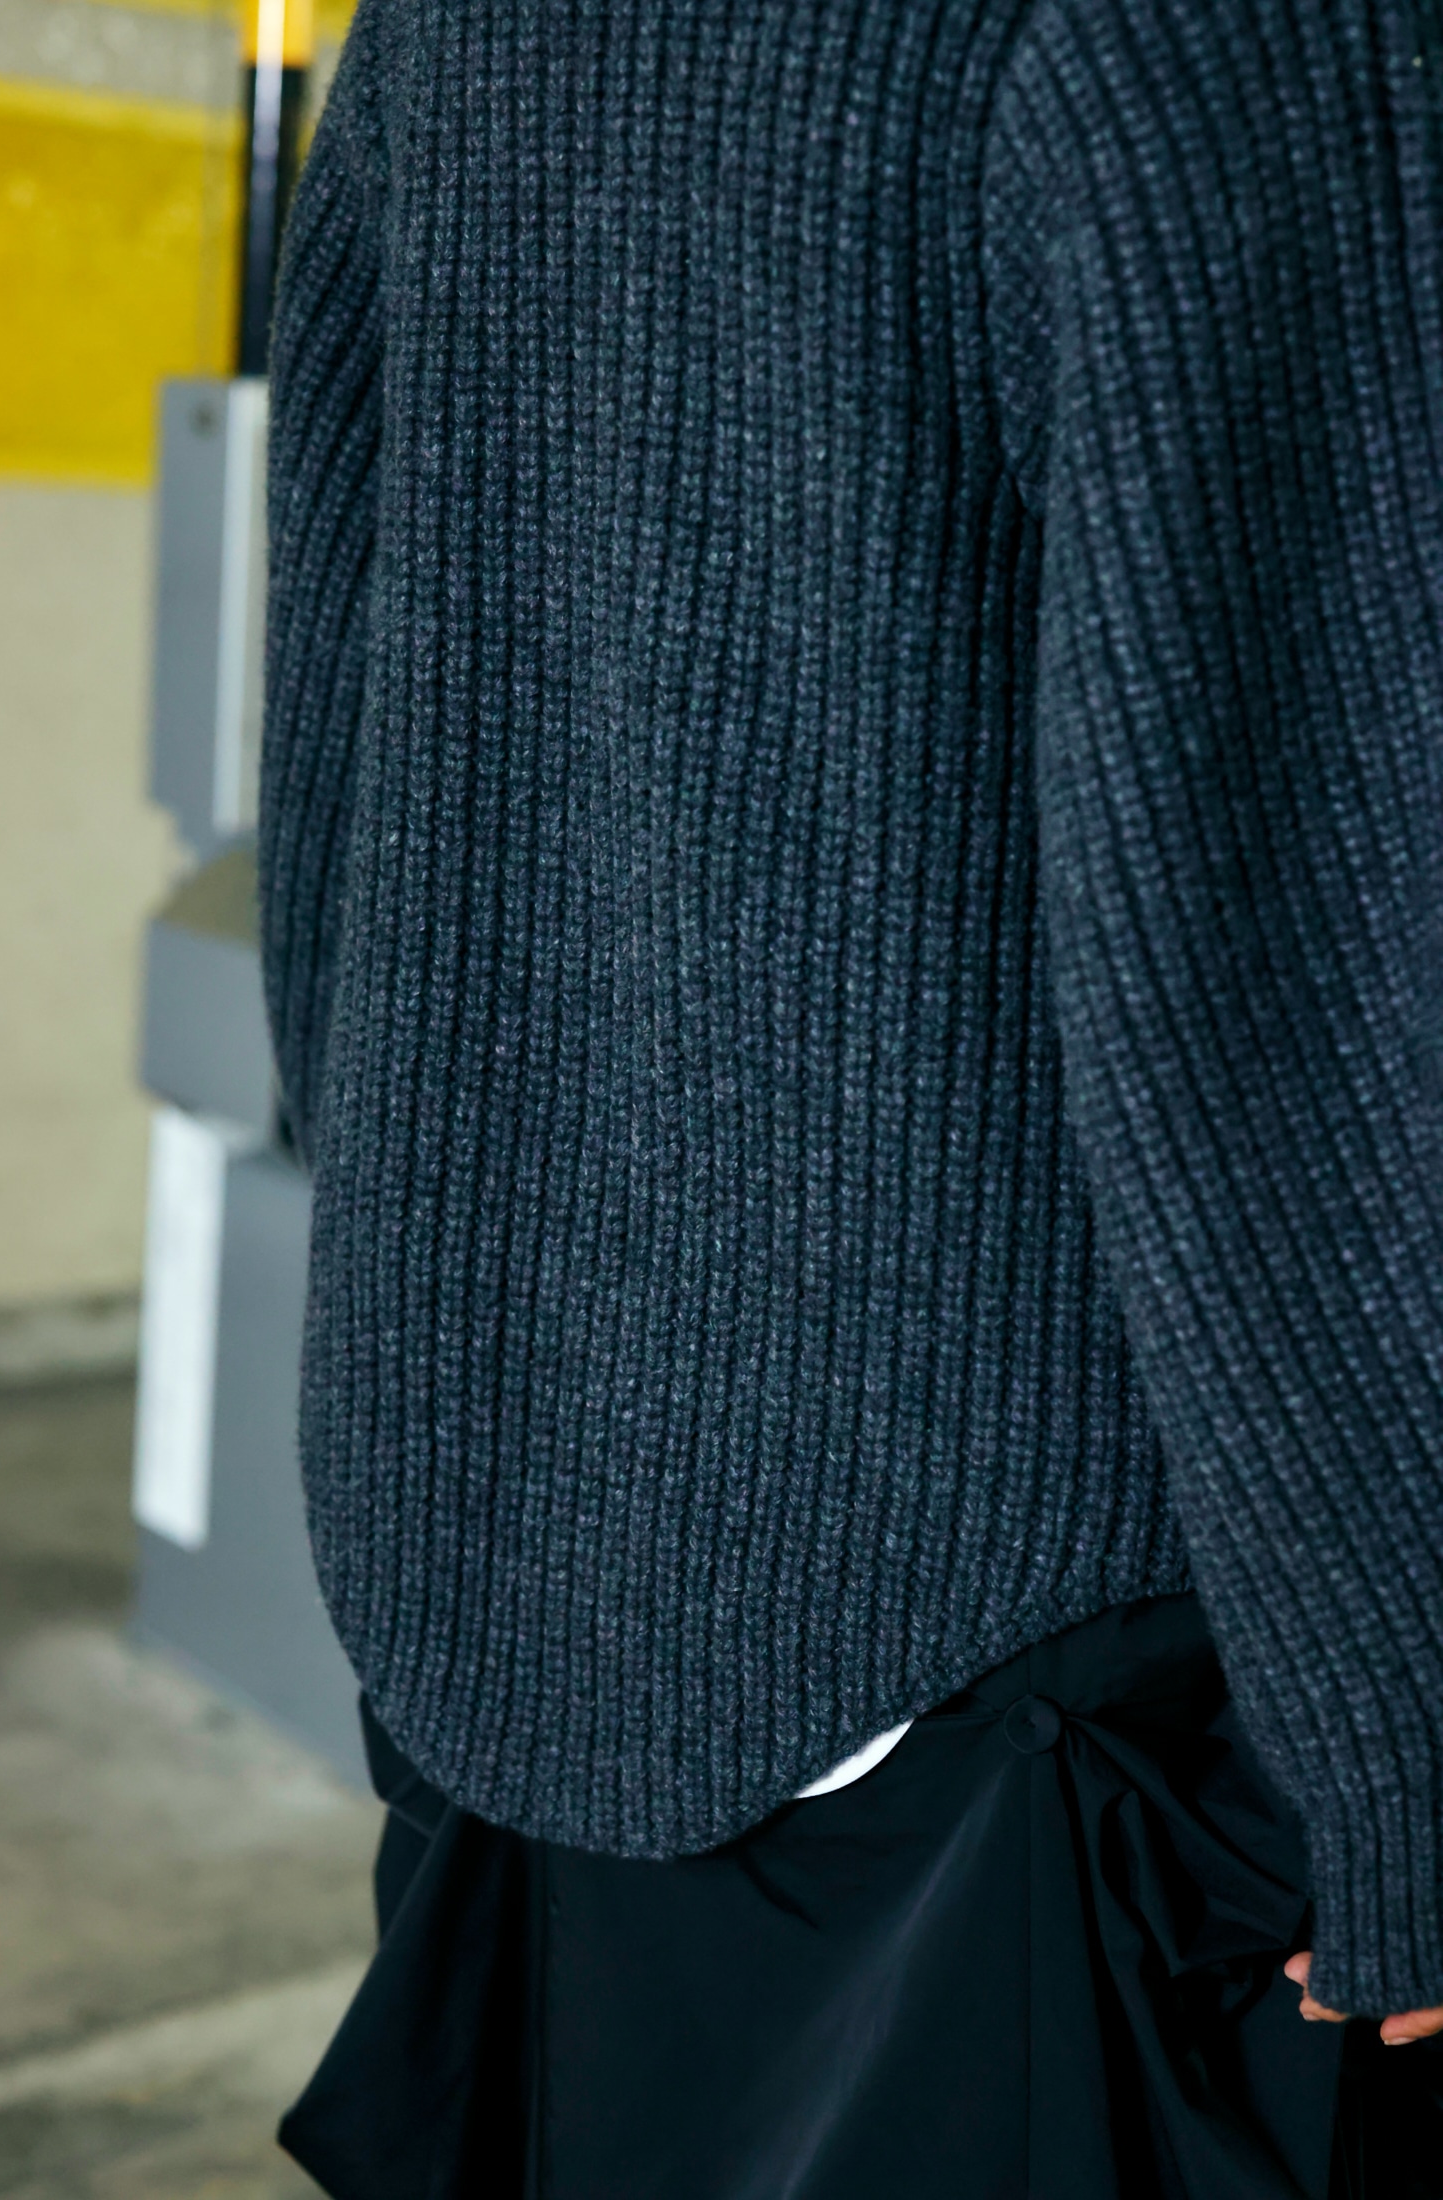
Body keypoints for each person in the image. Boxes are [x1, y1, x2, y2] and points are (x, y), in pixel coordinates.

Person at [256, 0, 1443, 2190]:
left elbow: (335, 760)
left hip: (532, 1551)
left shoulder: (449, 28)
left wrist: (457, 1337)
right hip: (1047, 1680)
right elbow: (1303, 934)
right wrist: (1403, 1732)